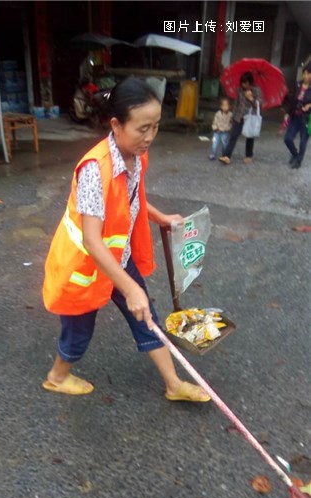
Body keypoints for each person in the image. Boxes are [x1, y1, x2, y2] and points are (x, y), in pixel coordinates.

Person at [42, 78, 210, 402]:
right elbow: (92, 240)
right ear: (116, 125)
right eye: (142, 128)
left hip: (117, 257)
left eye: (156, 127)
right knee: (79, 332)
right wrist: (130, 287)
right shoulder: (95, 169)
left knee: (147, 316)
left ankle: (174, 385)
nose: (150, 137)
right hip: (85, 268)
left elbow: (130, 197)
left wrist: (159, 216)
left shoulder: (134, 154)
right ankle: (56, 377)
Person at [219, 72, 263, 165]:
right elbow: (237, 103)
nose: (243, 85)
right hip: (239, 116)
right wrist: (233, 115)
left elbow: (259, 104)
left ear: (249, 82)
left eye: (245, 83)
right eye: (242, 82)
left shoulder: (256, 90)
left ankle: (248, 155)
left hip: (250, 116)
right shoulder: (240, 89)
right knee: (233, 135)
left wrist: (251, 98)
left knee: (249, 136)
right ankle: (226, 156)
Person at [283, 61, 311, 169]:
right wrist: (287, 113)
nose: (306, 76)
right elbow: (291, 100)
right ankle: (295, 154)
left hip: (307, 118)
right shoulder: (297, 84)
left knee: (303, 141)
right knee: (288, 139)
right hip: (295, 116)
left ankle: (299, 160)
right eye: (305, 73)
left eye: (309, 73)